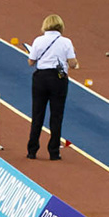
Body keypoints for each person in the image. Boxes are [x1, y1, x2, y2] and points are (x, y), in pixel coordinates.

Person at [26, 14, 78, 160]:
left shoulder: (38, 40)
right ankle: (54, 152)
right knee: (56, 115)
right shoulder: (66, 42)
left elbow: (31, 62)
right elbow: (73, 64)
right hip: (58, 78)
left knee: (37, 114)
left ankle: (32, 151)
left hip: (41, 78)